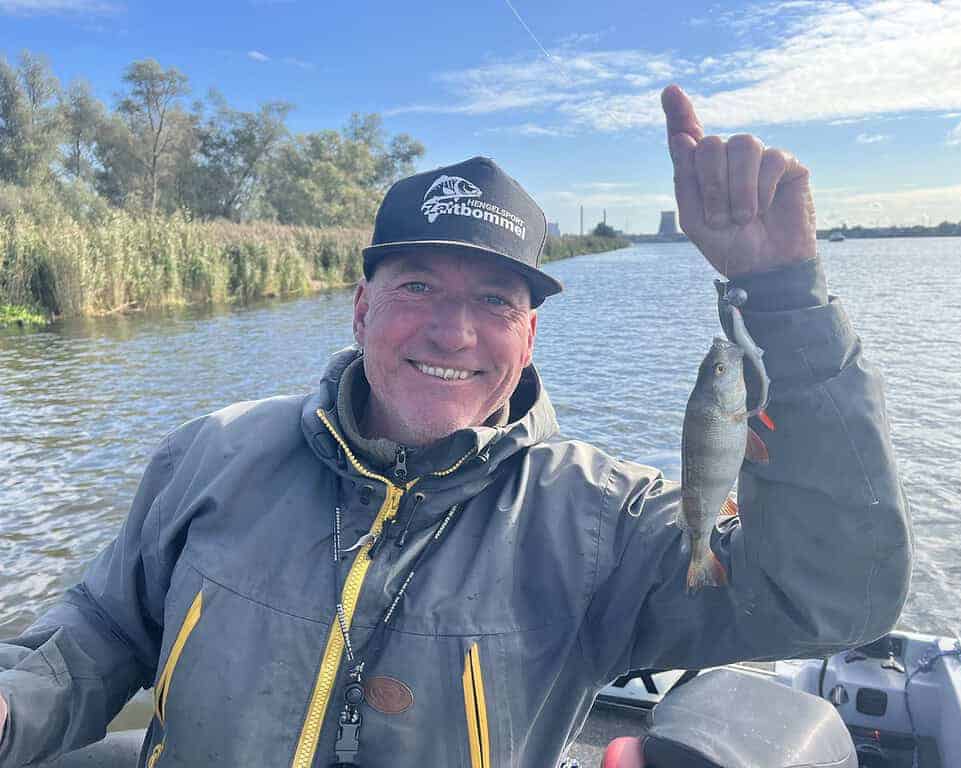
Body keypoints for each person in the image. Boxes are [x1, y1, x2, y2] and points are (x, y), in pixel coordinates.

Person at [0, 85, 912, 768]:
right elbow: (103, 629)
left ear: (530, 334)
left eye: (492, 299)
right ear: (360, 309)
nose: (453, 330)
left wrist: (787, 302)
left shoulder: (604, 522)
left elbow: (832, 596)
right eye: (418, 288)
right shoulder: (213, 451)